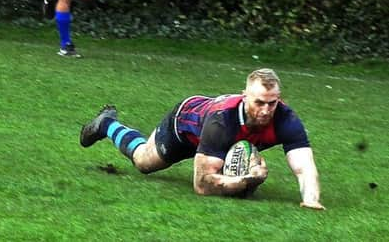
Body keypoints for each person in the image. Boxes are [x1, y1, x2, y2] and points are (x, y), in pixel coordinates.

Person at [80, 68, 326, 209]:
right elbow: (201, 185)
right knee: (144, 162)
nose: (265, 110)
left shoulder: (286, 119)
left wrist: (311, 200)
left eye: (272, 103)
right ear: (245, 97)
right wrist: (245, 180)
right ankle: (107, 124)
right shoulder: (223, 121)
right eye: (259, 102)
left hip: (220, 139)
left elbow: (304, 167)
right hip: (186, 125)